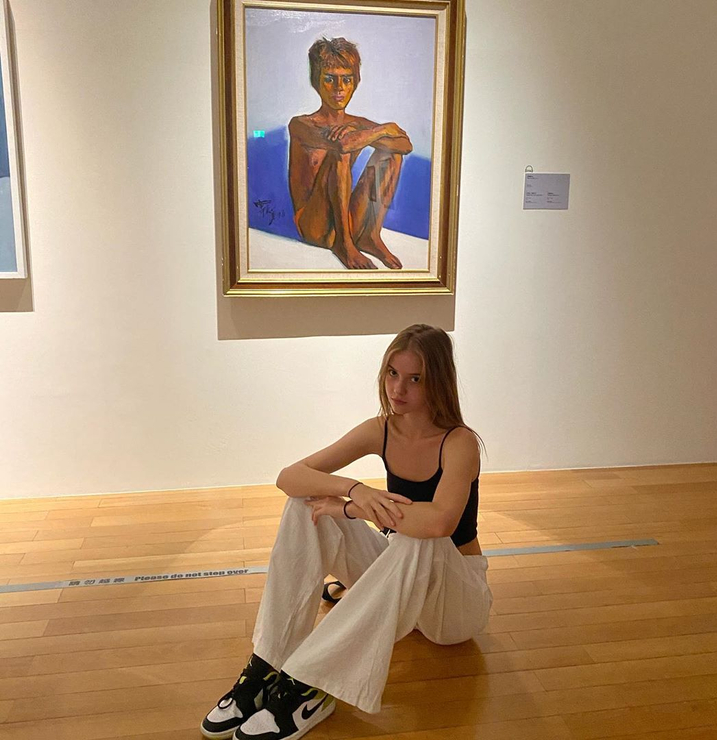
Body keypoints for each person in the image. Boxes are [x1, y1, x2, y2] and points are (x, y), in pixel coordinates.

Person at [200, 324, 492, 740]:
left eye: (415, 379)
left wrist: (351, 509)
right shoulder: (381, 429)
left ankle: (312, 683)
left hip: (455, 605)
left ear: (439, 381)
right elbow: (290, 477)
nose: (398, 388)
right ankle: (269, 662)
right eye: (392, 373)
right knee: (306, 505)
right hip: (403, 582)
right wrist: (354, 489)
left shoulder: (459, 442)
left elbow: (440, 523)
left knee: (420, 535)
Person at [288, 37, 413, 271]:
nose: (339, 88)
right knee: (340, 153)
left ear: (355, 83)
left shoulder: (356, 124)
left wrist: (366, 130)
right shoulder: (302, 124)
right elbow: (343, 145)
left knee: (391, 154)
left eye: (347, 80)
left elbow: (405, 145)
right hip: (314, 226)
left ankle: (370, 236)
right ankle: (344, 244)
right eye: (330, 79)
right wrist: (382, 130)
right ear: (316, 82)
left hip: (348, 218)